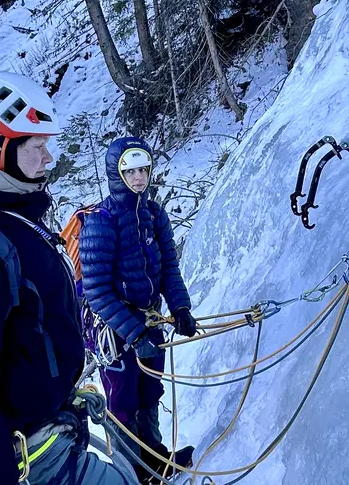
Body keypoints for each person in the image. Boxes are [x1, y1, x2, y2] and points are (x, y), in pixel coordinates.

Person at [0, 72, 137, 485]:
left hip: (52, 439)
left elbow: (28, 343)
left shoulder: (12, 224)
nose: (48, 157)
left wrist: (64, 394)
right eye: (37, 145)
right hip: (29, 463)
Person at [79, 137, 200, 483]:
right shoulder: (101, 223)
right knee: (123, 400)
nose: (138, 178)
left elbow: (169, 268)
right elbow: (97, 290)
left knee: (150, 391)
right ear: (117, 174)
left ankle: (155, 459)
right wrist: (135, 333)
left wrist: (180, 307)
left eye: (143, 169)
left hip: (151, 319)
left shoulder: (154, 214)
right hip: (113, 331)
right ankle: (131, 473)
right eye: (129, 171)